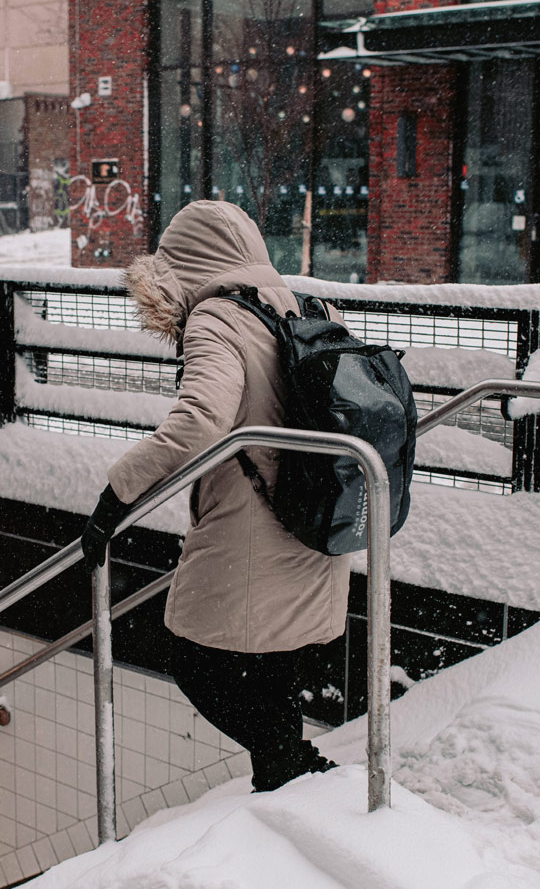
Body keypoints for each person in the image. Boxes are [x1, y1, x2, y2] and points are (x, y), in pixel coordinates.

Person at [80, 200, 350, 792]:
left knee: (197, 663)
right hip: (318, 518)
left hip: (249, 526)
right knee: (274, 661)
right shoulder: (311, 307)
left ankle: (286, 759)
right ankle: (282, 778)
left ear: (185, 266)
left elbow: (201, 419)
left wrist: (117, 495)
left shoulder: (217, 318)